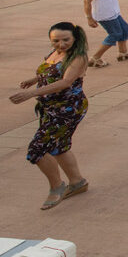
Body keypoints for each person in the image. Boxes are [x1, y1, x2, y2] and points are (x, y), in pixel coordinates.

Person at [9, 22, 90, 211]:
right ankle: (77, 182)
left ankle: (57, 186)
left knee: (37, 149)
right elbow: (51, 71)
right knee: (59, 145)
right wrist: (33, 80)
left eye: (65, 40)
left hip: (68, 109)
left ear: (75, 38)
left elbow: (65, 82)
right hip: (51, 108)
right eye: (56, 40)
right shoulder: (54, 53)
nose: (61, 44)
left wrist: (31, 94)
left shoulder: (78, 57)